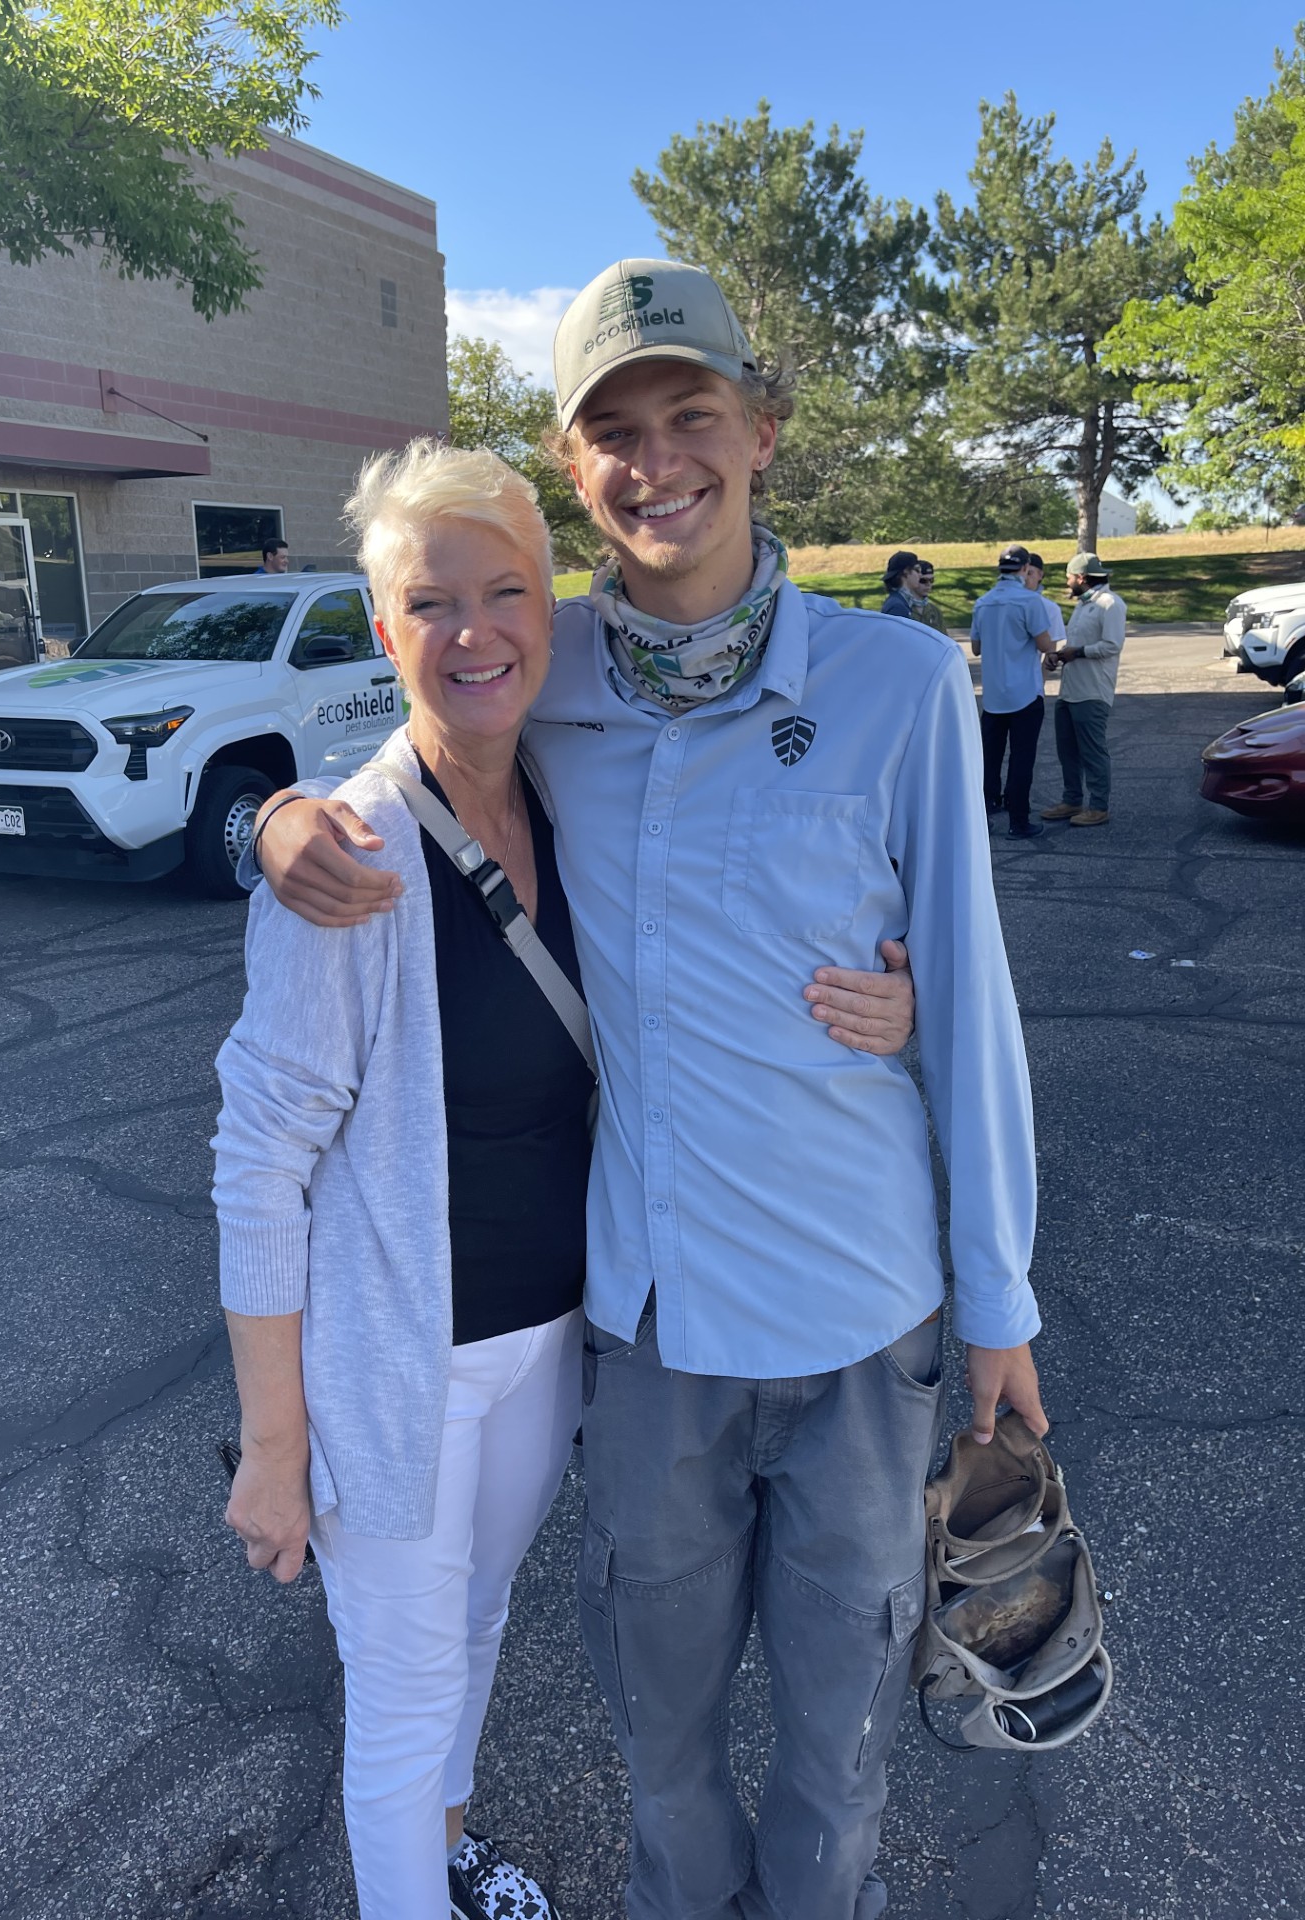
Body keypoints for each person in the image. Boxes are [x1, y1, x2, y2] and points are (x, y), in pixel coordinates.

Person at [245, 257, 1046, 1920]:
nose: (657, 459)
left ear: (762, 432)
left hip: (862, 1326)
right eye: (615, 429)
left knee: (837, 1760)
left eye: (693, 415)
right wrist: (282, 819)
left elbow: (971, 1007)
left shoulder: (900, 687)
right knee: (661, 1755)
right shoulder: (552, 675)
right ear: (574, 462)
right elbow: (413, 726)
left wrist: (1000, 1303)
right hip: (656, 1340)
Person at [214, 446, 590, 1920]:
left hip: (545, 1338)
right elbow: (260, 1164)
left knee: (477, 1626)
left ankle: (443, 1854)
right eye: (430, 602)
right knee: (400, 1692)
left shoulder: (566, 791)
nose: (472, 631)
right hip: (399, 1371)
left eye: (505, 592)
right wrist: (272, 1446)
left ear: (551, 607)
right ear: (385, 629)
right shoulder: (351, 855)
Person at [970, 543, 1057, 838]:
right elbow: (1045, 644)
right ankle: (1018, 821)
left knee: (989, 759)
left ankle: (983, 816)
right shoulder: (1029, 601)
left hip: (993, 695)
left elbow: (976, 647)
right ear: (1024, 568)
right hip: (1024, 693)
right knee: (1021, 758)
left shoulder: (983, 603)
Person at [1040, 551, 1126, 827]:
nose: (1066, 582)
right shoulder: (1083, 604)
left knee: (1092, 751)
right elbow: (1077, 642)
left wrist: (1077, 652)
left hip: (1092, 691)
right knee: (1067, 750)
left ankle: (1099, 806)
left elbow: (1112, 645)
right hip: (1069, 690)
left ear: (1081, 577)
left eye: (1068, 577)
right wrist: (1060, 654)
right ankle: (1072, 800)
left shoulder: (1110, 604)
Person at [911, 559, 949, 634]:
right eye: (923, 581)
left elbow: (943, 638)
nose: (928, 584)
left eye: (931, 580)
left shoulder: (935, 611)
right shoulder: (904, 608)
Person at [880, 549, 922, 617]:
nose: (920, 575)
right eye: (917, 570)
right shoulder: (897, 606)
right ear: (906, 571)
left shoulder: (899, 600)